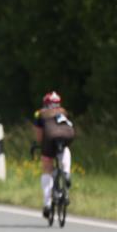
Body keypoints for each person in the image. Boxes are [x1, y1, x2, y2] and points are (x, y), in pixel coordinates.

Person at [33, 91, 76, 219]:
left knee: (47, 167)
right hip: (66, 137)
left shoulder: (39, 113)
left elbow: (39, 136)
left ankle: (47, 203)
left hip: (50, 140)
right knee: (65, 150)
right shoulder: (63, 111)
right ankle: (66, 172)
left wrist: (40, 145)